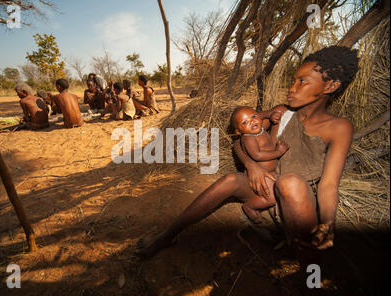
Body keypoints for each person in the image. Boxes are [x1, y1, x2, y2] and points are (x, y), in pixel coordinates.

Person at [135, 46, 359, 270]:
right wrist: (252, 166)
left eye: (302, 82)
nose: (292, 88)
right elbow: (240, 141)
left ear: (331, 86)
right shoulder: (282, 112)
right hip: (265, 193)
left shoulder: (339, 127)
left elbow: (329, 185)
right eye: (293, 80)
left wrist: (328, 223)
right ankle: (168, 234)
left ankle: (310, 271)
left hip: (299, 205)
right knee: (231, 179)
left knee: (290, 182)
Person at [231, 106, 289, 224]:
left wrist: (270, 115)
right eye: (245, 122)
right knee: (271, 198)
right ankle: (249, 207)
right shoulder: (248, 138)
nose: (252, 121)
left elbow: (260, 116)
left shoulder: (259, 128)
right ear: (238, 131)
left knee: (280, 190)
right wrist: (278, 152)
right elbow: (257, 155)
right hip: (261, 175)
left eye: (253, 116)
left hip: (270, 172)